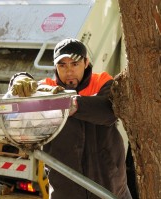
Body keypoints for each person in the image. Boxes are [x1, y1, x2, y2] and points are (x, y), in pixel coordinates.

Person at [8, 38, 132, 199]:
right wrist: (18, 79)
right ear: (55, 67)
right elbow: (18, 100)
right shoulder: (48, 88)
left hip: (109, 186)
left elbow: (108, 112)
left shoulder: (101, 81)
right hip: (66, 191)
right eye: (62, 65)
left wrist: (71, 104)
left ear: (86, 62)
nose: (69, 71)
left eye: (75, 64)